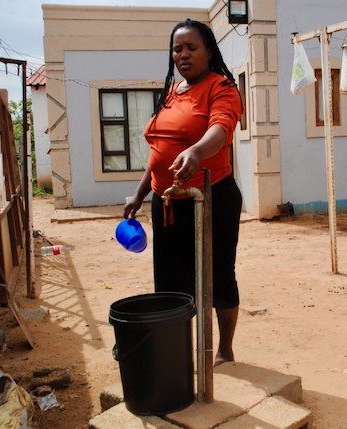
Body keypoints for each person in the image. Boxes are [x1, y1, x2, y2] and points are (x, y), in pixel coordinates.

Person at [124, 19, 243, 365]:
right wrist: (140, 192)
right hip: (166, 203)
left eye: (192, 47)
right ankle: (178, 349)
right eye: (178, 48)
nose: (184, 54)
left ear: (208, 51)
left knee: (217, 274)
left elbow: (221, 127)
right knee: (171, 280)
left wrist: (197, 151)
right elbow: (158, 149)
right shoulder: (173, 92)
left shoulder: (221, 88)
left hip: (211, 198)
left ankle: (224, 349)